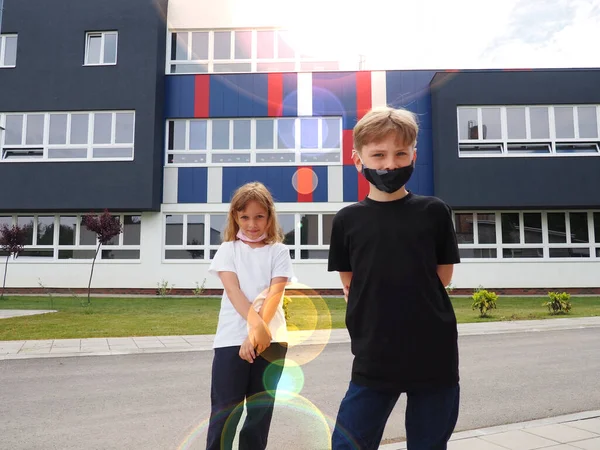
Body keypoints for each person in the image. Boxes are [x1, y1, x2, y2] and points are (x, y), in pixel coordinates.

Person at [328, 106, 461, 450]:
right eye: (379, 154)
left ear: (413, 154)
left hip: (433, 354)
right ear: (358, 159)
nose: (390, 164)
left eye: (401, 153)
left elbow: (441, 277)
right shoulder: (347, 220)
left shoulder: (434, 211)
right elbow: (351, 284)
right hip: (374, 355)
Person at [205, 181, 294, 450]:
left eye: (259, 217)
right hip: (232, 339)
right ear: (235, 217)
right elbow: (234, 292)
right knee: (225, 411)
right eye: (245, 217)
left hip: (272, 341)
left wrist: (257, 334)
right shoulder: (228, 250)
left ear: (269, 217)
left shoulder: (279, 251)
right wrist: (253, 330)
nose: (252, 224)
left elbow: (274, 294)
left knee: (259, 414)